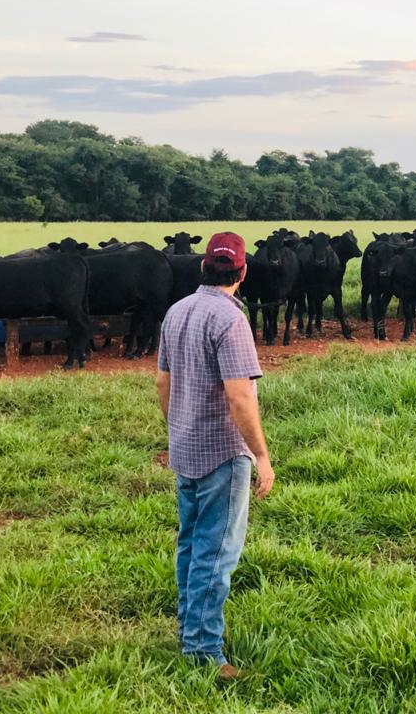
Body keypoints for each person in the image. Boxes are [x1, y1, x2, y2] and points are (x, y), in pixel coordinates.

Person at [155, 231, 276, 679]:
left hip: (185, 447)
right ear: (242, 272)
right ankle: (204, 654)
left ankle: (189, 632)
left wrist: (176, 428)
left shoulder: (177, 310)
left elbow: (162, 383)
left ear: (203, 266)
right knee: (217, 551)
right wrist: (260, 456)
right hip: (223, 452)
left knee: (190, 543)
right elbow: (240, 396)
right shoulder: (230, 319)